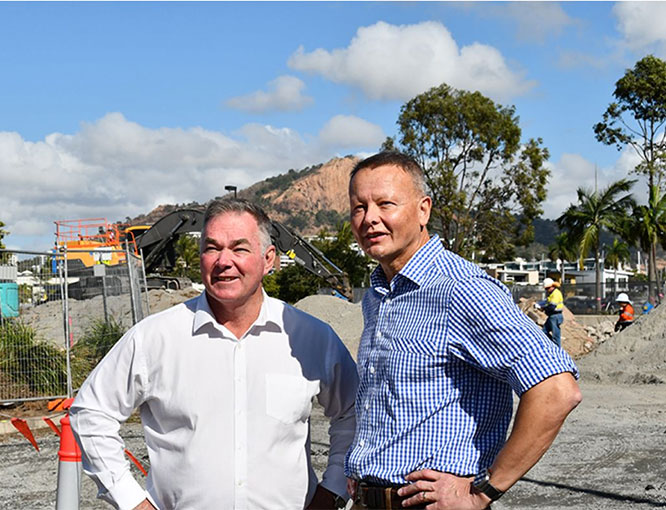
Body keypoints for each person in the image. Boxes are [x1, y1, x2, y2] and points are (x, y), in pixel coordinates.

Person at [70, 198, 358, 510]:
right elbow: (91, 413)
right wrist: (132, 500)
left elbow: (354, 412)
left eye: (239, 248)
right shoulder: (156, 338)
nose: (223, 261)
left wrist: (332, 491)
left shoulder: (311, 337)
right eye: (212, 248)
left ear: (269, 258)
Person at [344, 151, 581, 510]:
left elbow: (557, 390)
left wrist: (483, 491)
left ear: (423, 210)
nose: (370, 219)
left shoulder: (462, 289)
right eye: (359, 207)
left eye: (385, 204)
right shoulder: (379, 294)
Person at [538, 277, 564, 347]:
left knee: (556, 335)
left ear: (552, 286)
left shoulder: (556, 294)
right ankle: (551, 345)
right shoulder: (552, 294)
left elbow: (552, 307)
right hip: (552, 316)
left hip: (555, 316)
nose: (546, 290)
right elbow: (547, 302)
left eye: (547, 288)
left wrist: (543, 308)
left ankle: (557, 350)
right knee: (544, 332)